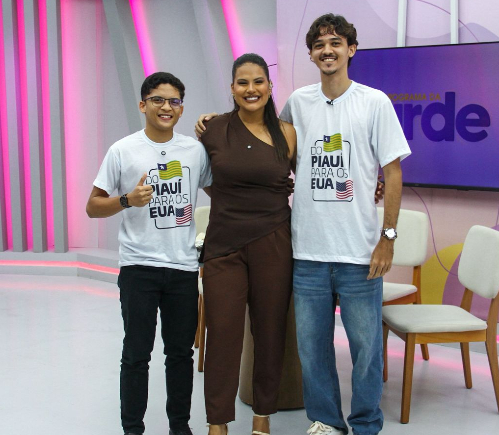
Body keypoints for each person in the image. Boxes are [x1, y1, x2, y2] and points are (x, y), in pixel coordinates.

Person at [196, 13, 410, 435]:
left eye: (336, 42)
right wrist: (211, 124)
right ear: (311, 53)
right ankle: (327, 422)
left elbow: (394, 172)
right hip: (306, 251)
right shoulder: (298, 104)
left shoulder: (374, 102)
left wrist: (387, 237)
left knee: (366, 349)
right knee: (313, 350)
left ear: (351, 49)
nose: (327, 50)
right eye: (319, 44)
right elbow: (267, 159)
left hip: (359, 252)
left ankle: (366, 424)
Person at [86, 72, 212, 435]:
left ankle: (179, 427)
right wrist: (127, 200)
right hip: (139, 267)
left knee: (180, 355)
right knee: (137, 355)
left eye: (174, 101)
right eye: (158, 99)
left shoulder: (194, 150)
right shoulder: (123, 150)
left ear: (182, 108)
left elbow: (221, 195)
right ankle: (132, 429)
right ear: (143, 105)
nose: (166, 107)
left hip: (183, 268)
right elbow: (93, 206)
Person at [199, 53, 297, 435]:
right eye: (243, 82)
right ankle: (217, 423)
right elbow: (206, 178)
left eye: (259, 82)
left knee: (270, 332)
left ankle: (262, 418)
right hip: (224, 243)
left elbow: (308, 181)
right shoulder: (212, 129)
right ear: (232, 88)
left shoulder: (287, 132)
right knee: (222, 334)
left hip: (273, 241)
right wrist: (232, 199)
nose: (251, 89)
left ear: (270, 88)